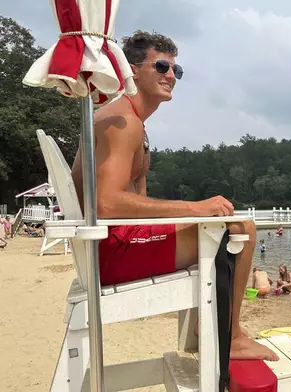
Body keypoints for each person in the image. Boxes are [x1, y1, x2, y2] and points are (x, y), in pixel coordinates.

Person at [69, 31, 277, 361]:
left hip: (112, 244)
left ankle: (215, 327)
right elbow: (106, 204)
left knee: (229, 223)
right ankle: (231, 336)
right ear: (132, 70)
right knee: (241, 230)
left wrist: (192, 214)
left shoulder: (130, 119)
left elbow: (134, 203)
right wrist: (194, 208)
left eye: (175, 70)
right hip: (111, 252)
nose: (171, 76)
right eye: (162, 66)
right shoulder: (122, 121)